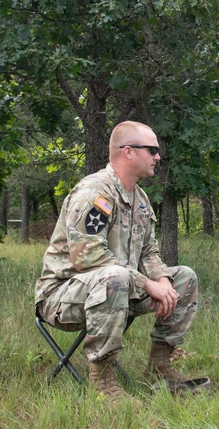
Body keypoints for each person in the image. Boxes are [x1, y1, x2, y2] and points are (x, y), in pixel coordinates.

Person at [35, 121, 207, 402]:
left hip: (114, 289)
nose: (157, 157)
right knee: (115, 276)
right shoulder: (95, 193)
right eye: (151, 150)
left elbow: (149, 252)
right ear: (128, 152)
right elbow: (87, 257)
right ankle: (103, 382)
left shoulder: (139, 199)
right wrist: (146, 284)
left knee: (184, 277)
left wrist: (162, 279)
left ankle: (159, 369)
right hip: (62, 296)